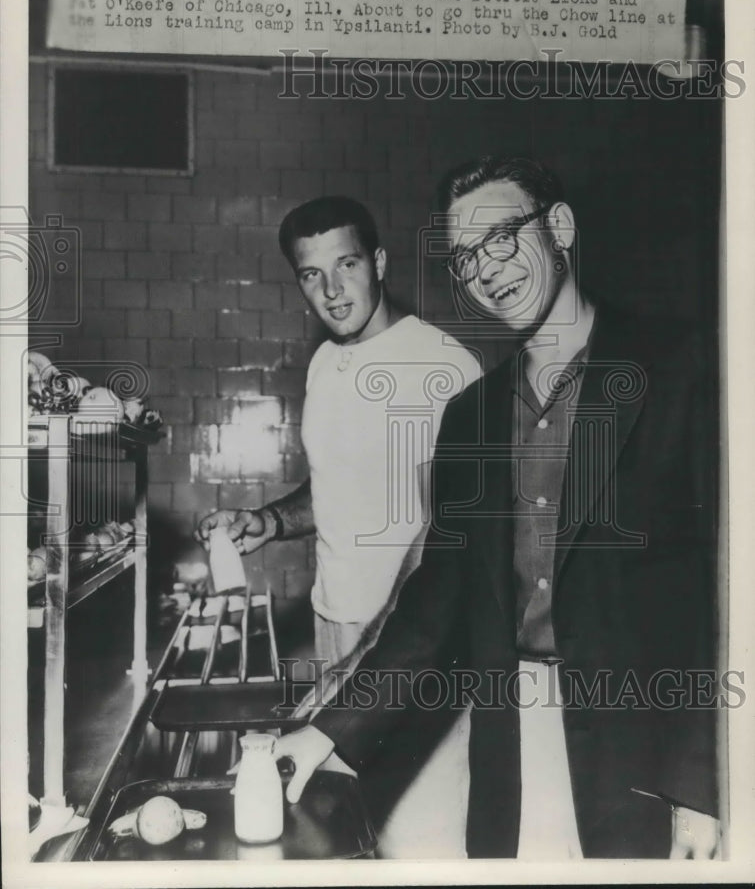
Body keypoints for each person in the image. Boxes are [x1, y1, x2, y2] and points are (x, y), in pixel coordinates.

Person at [273, 156, 721, 860]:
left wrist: (703, 786)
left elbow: (722, 596)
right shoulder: (472, 415)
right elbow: (436, 600)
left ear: (560, 228)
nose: (485, 269)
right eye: (465, 255)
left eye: (503, 237)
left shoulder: (683, 369)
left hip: (649, 748)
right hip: (514, 731)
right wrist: (328, 730)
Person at [196, 195, 481, 856]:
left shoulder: (442, 367)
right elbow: (333, 488)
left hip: (411, 648)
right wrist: (268, 521)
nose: (331, 289)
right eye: (310, 273)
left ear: (378, 262)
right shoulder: (325, 363)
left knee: (419, 838)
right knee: (347, 829)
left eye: (346, 264)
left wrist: (376, 648)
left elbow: (449, 534)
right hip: (336, 627)